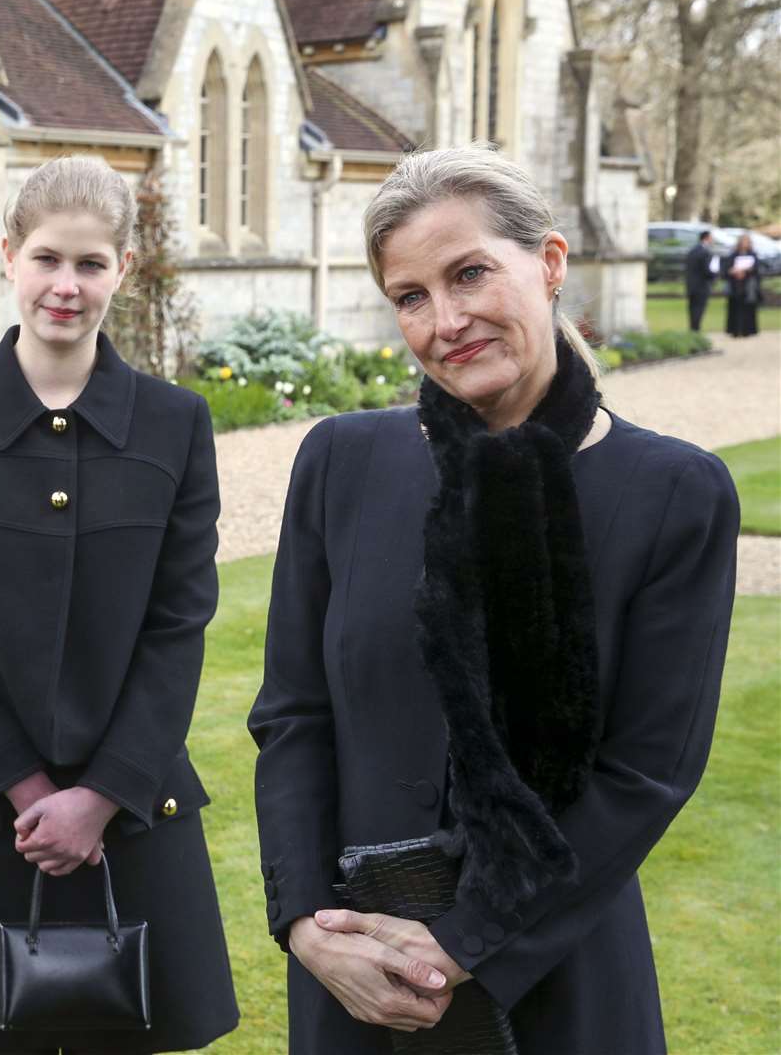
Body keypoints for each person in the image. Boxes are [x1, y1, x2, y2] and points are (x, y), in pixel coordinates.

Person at [249, 146, 738, 1053]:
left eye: (469, 273)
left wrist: (464, 943)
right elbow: (292, 715)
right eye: (410, 297)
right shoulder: (341, 462)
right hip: (356, 976)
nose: (446, 320)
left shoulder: (673, 492)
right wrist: (306, 924)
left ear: (548, 263)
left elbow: (645, 772)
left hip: (555, 973)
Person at [0, 155, 240, 1052]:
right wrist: (30, 790)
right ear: (8, 256)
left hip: (133, 818)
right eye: (45, 259)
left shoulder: (176, 422)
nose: (65, 287)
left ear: (123, 267)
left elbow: (177, 625)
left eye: (89, 263)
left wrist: (101, 796)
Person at [723, 232, 764, 337]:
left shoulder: (753, 255)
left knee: (748, 307)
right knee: (734, 308)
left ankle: (747, 330)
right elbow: (726, 269)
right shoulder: (733, 255)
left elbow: (757, 270)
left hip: (748, 285)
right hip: (735, 285)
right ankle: (734, 330)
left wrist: (746, 271)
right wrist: (733, 271)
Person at [683, 228, 718, 331]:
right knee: (699, 310)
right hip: (701, 286)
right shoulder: (705, 252)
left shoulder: (692, 251)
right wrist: (715, 275)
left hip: (691, 286)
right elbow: (707, 270)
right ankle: (695, 331)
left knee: (692, 310)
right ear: (707, 238)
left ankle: (692, 331)